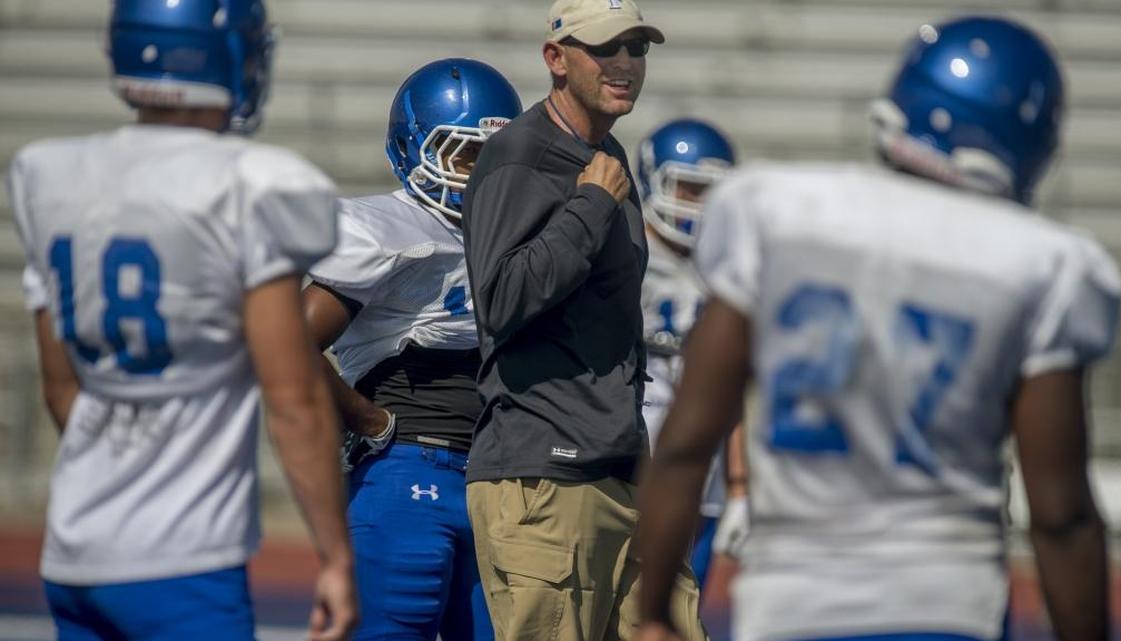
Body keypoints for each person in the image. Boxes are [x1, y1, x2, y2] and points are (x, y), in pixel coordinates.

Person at [637, 15, 1121, 641]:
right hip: (944, 606)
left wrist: (652, 613)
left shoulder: (781, 212)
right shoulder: (1040, 262)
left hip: (791, 605)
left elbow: (685, 443)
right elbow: (1061, 516)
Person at [7, 1, 358, 640]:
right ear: (228, 55)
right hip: (184, 560)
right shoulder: (249, 182)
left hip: (73, 548)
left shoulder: (47, 174)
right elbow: (295, 401)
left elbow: (61, 388)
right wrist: (334, 557)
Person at [461, 1, 705, 639]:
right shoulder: (520, 156)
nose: (624, 64)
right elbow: (502, 298)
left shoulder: (608, 154)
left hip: (621, 468)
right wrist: (591, 205)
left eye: (637, 49)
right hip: (546, 476)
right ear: (555, 59)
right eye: (605, 48)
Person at [302, 58, 522, 641]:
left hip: (495, 486)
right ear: (412, 148)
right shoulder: (387, 228)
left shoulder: (516, 240)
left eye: (493, 158)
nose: (480, 176)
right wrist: (367, 419)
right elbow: (291, 340)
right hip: (407, 477)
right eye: (465, 155)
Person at [636, 117, 748, 588]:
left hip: (704, 478)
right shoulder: (620, 255)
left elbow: (739, 388)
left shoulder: (729, 267)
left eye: (712, 195)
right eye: (689, 189)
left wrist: (741, 486)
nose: (701, 208)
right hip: (630, 468)